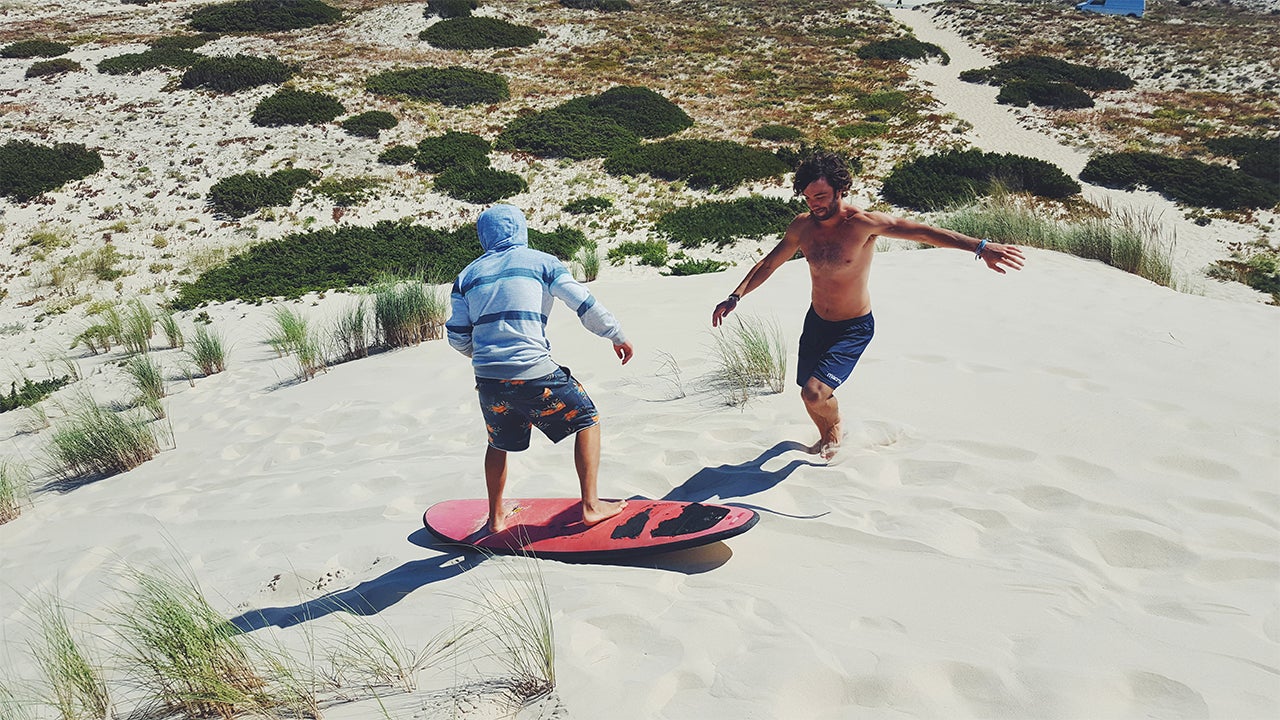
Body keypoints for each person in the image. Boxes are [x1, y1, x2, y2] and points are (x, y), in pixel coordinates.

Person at [711, 151, 1025, 460]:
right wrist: (736, 295)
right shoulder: (802, 227)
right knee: (809, 396)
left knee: (814, 392)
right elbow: (769, 263)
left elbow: (924, 233)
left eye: (820, 195)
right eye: (808, 198)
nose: (814, 204)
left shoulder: (863, 224)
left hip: (853, 327)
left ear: (840, 189)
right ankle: (828, 432)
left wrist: (979, 247)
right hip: (817, 322)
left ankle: (834, 430)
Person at [447, 204, 633, 533]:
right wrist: (615, 334)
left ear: (483, 236)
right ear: (521, 230)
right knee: (587, 419)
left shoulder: (466, 276)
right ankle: (591, 505)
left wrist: (486, 357)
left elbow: (457, 336)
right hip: (534, 371)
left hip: (488, 379)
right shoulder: (542, 262)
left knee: (497, 442)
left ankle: (496, 518)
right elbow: (583, 302)